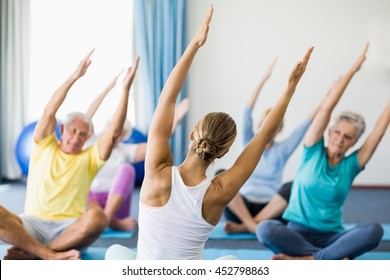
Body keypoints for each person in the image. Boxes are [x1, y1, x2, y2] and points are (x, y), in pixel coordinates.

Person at [105, 5, 314, 260]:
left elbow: (166, 99)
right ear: (225, 151)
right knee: (231, 262)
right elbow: (263, 136)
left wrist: (195, 44)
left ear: (193, 133)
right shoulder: (219, 192)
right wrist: (291, 86)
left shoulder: (157, 171)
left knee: (116, 251)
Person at [0, 50, 139, 260]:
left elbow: (113, 133)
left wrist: (125, 90)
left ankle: (35, 253)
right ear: (63, 129)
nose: (76, 137)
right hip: (32, 223)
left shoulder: (91, 158)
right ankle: (48, 254)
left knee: (98, 218)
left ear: (88, 137)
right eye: (73, 131)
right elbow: (49, 112)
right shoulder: (43, 145)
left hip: (70, 230)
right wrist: (75, 76)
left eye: (83, 134)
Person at [256, 43, 389, 260]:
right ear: (329, 132)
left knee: (375, 231)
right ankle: (326, 259)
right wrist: (353, 70)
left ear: (354, 142)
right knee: (265, 229)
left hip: (332, 236)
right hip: (296, 233)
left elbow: (378, 133)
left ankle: (307, 260)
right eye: (337, 132)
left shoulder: (352, 164)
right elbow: (326, 108)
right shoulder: (312, 151)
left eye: (347, 137)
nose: (339, 139)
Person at [224, 58, 320, 234]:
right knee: (221, 175)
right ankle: (252, 225)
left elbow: (305, 125)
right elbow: (247, 111)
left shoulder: (282, 149)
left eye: (274, 126)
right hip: (241, 207)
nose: (269, 129)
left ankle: (246, 227)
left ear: (279, 129)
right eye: (266, 124)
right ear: (260, 125)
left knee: (295, 184)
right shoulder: (248, 141)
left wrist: (329, 97)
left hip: (271, 210)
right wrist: (263, 79)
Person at [85, 74, 190, 232]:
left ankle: (106, 218)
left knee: (128, 169)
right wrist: (107, 89)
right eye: (114, 131)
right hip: (90, 203)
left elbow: (156, 143)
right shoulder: (91, 142)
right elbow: (85, 118)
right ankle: (104, 220)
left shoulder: (125, 151)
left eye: (121, 134)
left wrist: (174, 121)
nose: (116, 136)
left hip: (116, 208)